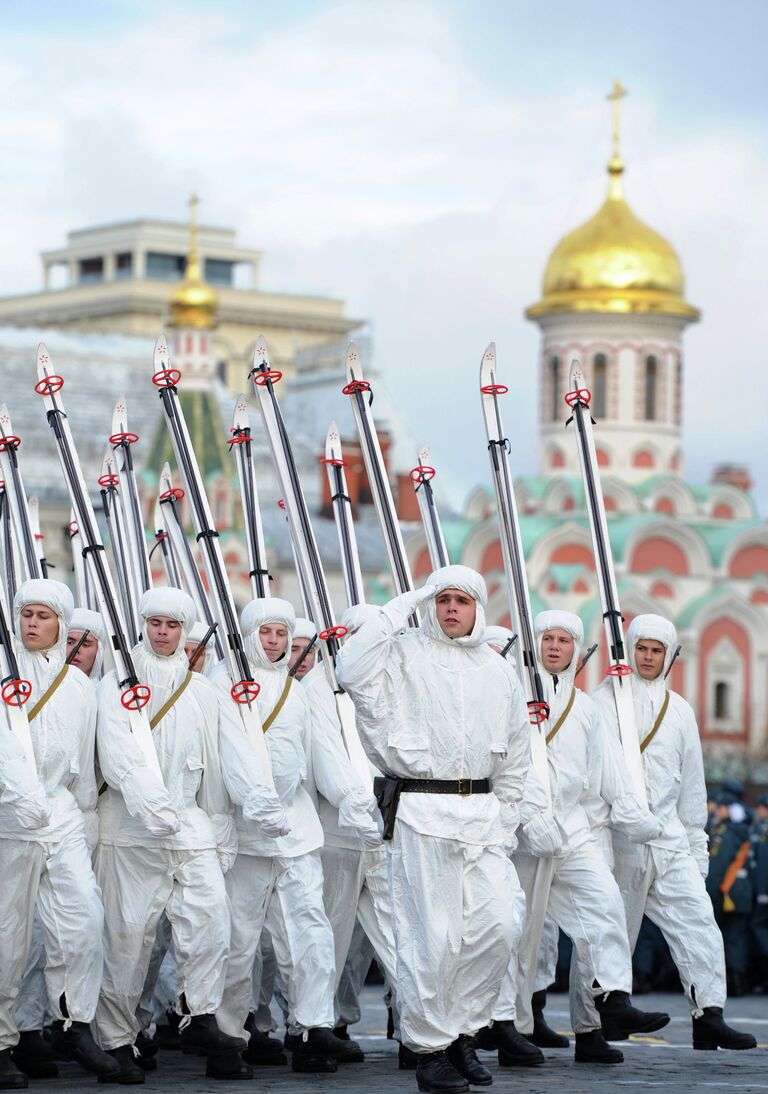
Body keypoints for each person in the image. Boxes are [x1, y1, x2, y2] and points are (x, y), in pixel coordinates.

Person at [337, 565, 535, 1094]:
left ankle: (462, 1031)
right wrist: (406, 601)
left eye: (461, 600)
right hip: (424, 812)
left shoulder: (499, 672)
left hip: (485, 816)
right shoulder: (402, 655)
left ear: (479, 609)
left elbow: (517, 753)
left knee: (499, 927)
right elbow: (351, 670)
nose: (450, 608)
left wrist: (508, 816)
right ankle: (429, 1047)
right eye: (441, 599)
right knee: (433, 939)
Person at [94, 587, 285, 1083]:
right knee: (127, 936)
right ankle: (115, 1038)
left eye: (172, 625)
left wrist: (254, 801)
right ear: (143, 625)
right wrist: (149, 802)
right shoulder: (118, 681)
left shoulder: (202, 691)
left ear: (184, 631)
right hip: (132, 828)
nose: (162, 632)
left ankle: (199, 1014)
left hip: (189, 824)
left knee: (211, 922)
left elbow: (229, 755)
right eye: (155, 623)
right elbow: (119, 753)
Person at [485, 610, 668, 1067]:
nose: (554, 647)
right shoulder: (510, 695)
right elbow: (502, 763)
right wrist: (529, 814)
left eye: (564, 640)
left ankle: (612, 999)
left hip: (572, 831)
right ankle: (507, 1023)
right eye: (547, 638)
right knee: (518, 934)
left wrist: (632, 814)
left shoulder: (584, 707)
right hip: (519, 835)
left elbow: (604, 773)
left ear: (576, 649)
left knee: (605, 905)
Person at [591, 613, 757, 1051]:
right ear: (629, 649)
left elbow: (691, 786)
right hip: (620, 840)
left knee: (699, 924)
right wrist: (632, 821)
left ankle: (710, 1014)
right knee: (611, 933)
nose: (648, 657)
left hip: (670, 843)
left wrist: (695, 844)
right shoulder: (604, 700)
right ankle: (591, 1030)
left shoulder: (680, 710)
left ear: (669, 656)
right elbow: (605, 774)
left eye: (656, 650)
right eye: (641, 648)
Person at [214, 598, 348, 1075]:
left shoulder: (298, 691)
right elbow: (233, 750)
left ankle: (313, 1026)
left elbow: (322, 752)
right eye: (265, 633)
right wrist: (257, 801)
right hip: (248, 834)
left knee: (310, 930)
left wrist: (349, 795)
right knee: (237, 938)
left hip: (296, 827)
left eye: (280, 635)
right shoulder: (225, 683)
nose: (273, 643)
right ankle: (229, 1036)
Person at [0, 579, 118, 1090]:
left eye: (44, 616)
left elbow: (87, 762)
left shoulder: (79, 687)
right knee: (8, 937)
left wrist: (86, 817)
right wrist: (20, 796)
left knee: (85, 919)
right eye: (26, 614)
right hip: (9, 817)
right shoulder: (4, 671)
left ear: (63, 624)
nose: (32, 624)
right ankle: (4, 1040)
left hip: (64, 815)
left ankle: (75, 1020)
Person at [303, 603, 400, 1063]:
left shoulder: (388, 686)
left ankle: (422, 1031)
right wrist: (353, 801)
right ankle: (312, 1027)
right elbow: (326, 756)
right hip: (338, 831)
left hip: (386, 832)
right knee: (328, 938)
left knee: (400, 936)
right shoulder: (317, 687)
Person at [706, 792, 752, 997]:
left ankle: (735, 984)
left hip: (727, 893)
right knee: (737, 937)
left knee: (730, 938)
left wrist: (712, 895)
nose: (717, 810)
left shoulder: (726, 832)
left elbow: (718, 865)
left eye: (721, 807)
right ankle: (740, 981)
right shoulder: (741, 830)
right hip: (740, 891)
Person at [750, 793, 768, 991]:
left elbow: (764, 862)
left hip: (764, 893)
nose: (758, 812)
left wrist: (762, 892)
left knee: (758, 926)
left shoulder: (764, 829)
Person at [66, 607, 106, 679]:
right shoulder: (43, 687)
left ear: (99, 651)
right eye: (70, 642)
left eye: (85, 645)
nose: (76, 650)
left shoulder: (105, 690)